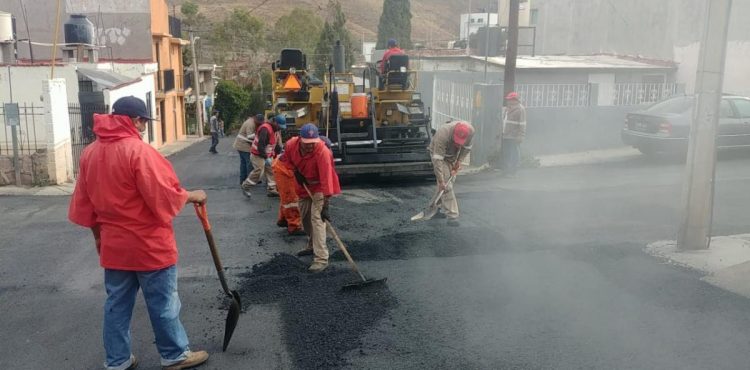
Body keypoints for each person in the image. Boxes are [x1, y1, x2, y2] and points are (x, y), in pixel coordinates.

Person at [68, 96, 209, 370]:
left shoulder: (90, 153)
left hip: (115, 246)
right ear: (135, 120)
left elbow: (85, 206)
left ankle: (117, 361)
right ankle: (174, 355)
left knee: (116, 306)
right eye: (143, 121)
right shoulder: (139, 152)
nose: (144, 127)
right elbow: (164, 195)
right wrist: (193, 195)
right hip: (150, 246)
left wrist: (99, 238)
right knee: (164, 303)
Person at [286, 124, 341, 272]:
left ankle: (321, 259)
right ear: (300, 140)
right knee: (304, 218)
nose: (310, 147)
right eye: (307, 144)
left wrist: (325, 206)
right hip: (304, 185)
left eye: (313, 143)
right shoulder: (291, 145)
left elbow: (326, 180)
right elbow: (287, 159)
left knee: (317, 220)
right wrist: (295, 170)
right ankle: (312, 245)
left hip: (320, 187)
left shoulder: (322, 152)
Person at [428, 120, 475, 227]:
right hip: (439, 155)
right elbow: (438, 161)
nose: (458, 144)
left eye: (460, 142)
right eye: (456, 141)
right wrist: (440, 180)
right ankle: (452, 216)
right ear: (453, 133)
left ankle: (433, 208)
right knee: (446, 186)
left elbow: (466, 149)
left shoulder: (470, 131)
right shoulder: (443, 134)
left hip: (453, 156)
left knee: (448, 185)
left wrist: (459, 161)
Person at [244, 114, 285, 197]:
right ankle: (246, 186)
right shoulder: (265, 129)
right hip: (257, 154)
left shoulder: (274, 130)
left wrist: (279, 154)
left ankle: (272, 189)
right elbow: (261, 145)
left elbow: (275, 144)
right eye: (279, 126)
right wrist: (266, 157)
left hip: (266, 155)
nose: (280, 128)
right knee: (259, 171)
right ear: (274, 121)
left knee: (271, 170)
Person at [272, 152, 304, 235]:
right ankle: (294, 226)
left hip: (284, 166)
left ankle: (284, 220)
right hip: (284, 169)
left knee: (287, 197)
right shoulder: (311, 152)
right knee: (291, 199)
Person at [500, 92, 526, 177]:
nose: (508, 101)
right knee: (506, 154)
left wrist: (521, 135)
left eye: (510, 99)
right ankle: (506, 171)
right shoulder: (507, 108)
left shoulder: (520, 109)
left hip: (514, 136)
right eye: (508, 99)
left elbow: (522, 124)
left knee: (514, 154)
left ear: (515, 100)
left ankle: (513, 172)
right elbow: (504, 121)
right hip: (506, 135)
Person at [233, 115, 258, 197]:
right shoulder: (251, 123)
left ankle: (242, 180)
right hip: (244, 146)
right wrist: (258, 137)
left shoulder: (250, 121)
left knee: (243, 163)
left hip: (240, 145)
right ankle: (249, 181)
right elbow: (250, 136)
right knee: (249, 163)